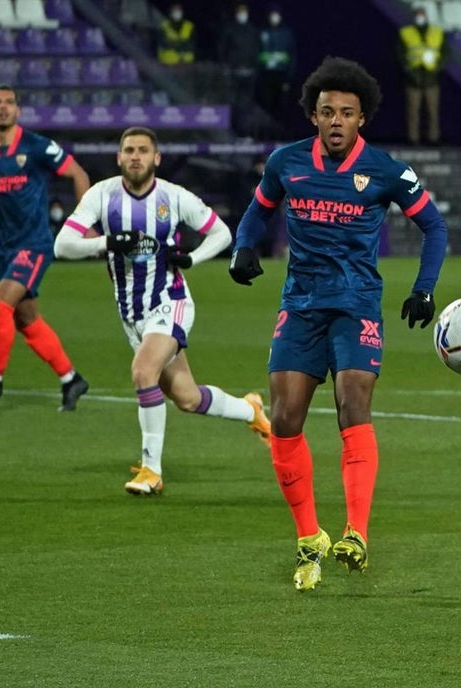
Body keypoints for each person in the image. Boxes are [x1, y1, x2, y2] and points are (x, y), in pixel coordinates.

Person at [228, 56, 448, 591]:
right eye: (326, 112)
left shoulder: (387, 170)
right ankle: (310, 536)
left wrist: (424, 289)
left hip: (356, 306)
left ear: (361, 119)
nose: (334, 121)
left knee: (352, 405)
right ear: (313, 116)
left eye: (345, 113)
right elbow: (258, 211)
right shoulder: (286, 163)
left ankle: (357, 533)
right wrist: (243, 247)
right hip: (300, 305)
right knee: (283, 419)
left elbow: (434, 227)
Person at [53, 127, 272, 495]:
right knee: (187, 397)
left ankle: (151, 471)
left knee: (143, 371)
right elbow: (63, 245)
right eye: (128, 150)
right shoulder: (101, 195)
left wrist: (192, 258)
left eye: (143, 150)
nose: (135, 156)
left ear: (157, 158)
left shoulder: (173, 197)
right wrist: (108, 242)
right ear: (118, 157)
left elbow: (221, 234)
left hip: (169, 303)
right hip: (132, 314)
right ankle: (251, 410)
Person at [0, 84, 92, 412]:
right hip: (6, 248)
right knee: (25, 320)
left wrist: (83, 222)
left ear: (18, 110)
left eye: (9, 102)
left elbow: (78, 173)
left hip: (35, 243)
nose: (3, 107)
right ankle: (71, 379)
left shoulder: (36, 146)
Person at [397, 4, 446, 145]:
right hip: (413, 78)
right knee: (413, 111)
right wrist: (408, 70)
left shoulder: (437, 32)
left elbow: (445, 53)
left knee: (433, 111)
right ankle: (413, 139)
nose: (420, 16)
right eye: (418, 14)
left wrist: (438, 67)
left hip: (432, 77)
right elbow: (400, 54)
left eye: (422, 13)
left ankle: (434, 138)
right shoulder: (406, 32)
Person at [217, 2, 262, 132]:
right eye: (240, 11)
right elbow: (223, 49)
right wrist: (227, 67)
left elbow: (257, 50)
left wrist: (254, 68)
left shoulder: (252, 30)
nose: (242, 14)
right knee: (232, 104)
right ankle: (231, 131)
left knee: (246, 106)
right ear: (236, 13)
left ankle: (245, 132)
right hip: (234, 73)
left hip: (249, 73)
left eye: (244, 11)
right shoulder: (230, 29)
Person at [256, 4, 296, 118]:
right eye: (272, 15)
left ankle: (281, 131)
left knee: (282, 106)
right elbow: (256, 53)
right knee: (265, 105)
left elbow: (292, 56)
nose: (274, 17)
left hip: (281, 75)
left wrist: (288, 79)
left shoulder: (287, 33)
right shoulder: (262, 32)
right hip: (266, 75)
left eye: (276, 15)